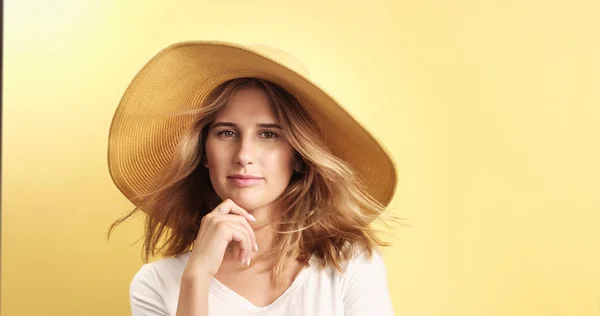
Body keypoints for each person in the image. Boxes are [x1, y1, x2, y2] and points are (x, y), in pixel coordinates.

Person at [107, 41, 399, 316]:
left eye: (269, 134)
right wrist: (196, 278)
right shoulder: (157, 284)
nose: (244, 154)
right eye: (227, 133)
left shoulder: (348, 265)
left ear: (297, 154)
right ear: (204, 153)